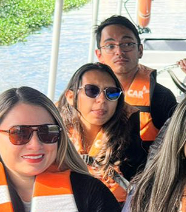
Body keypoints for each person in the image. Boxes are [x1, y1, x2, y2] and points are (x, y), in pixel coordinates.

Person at [58, 61, 147, 202]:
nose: (102, 100)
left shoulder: (131, 148)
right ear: (71, 97)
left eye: (111, 93)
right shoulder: (53, 141)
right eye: (92, 90)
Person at [95, 15, 176, 148]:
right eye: (110, 46)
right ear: (99, 55)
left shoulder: (161, 97)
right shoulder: (87, 94)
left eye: (127, 44)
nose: (119, 52)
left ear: (140, 50)